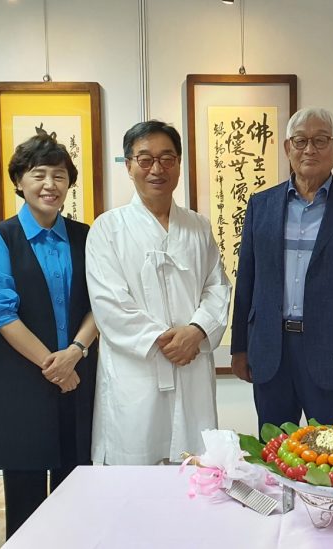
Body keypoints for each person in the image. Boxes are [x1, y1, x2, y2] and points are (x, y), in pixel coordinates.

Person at [0, 134, 99, 538]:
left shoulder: (86, 236)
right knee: (25, 496)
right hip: (23, 381)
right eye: (38, 174)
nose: (49, 184)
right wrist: (54, 365)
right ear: (19, 181)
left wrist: (75, 352)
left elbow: (103, 303)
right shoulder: (0, 238)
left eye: (59, 176)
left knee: (76, 488)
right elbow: (1, 312)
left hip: (79, 376)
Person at [230, 107, 333, 432]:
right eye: (300, 141)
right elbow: (246, 281)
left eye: (321, 140)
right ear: (288, 148)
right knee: (273, 448)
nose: (309, 149)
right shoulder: (261, 205)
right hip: (271, 349)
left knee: (332, 449)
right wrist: (240, 347)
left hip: (331, 352)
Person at [86, 120, 230, 464]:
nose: (157, 169)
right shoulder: (108, 228)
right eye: (145, 159)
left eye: (167, 158)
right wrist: (164, 341)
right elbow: (110, 304)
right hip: (137, 370)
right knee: (136, 466)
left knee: (192, 467)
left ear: (178, 163)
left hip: (191, 362)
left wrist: (196, 331)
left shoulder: (198, 226)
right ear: (129, 165)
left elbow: (217, 286)